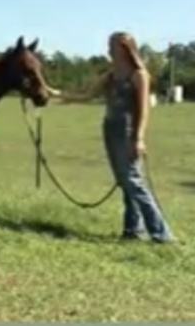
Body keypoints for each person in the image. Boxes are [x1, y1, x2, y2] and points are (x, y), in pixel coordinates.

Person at [56, 31, 175, 244]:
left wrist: (138, 138)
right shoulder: (111, 75)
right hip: (110, 128)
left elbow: (145, 108)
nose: (108, 50)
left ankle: (161, 233)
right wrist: (54, 93)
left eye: (112, 46)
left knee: (133, 181)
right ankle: (133, 230)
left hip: (127, 131)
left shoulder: (139, 75)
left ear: (124, 48)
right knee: (125, 182)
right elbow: (86, 95)